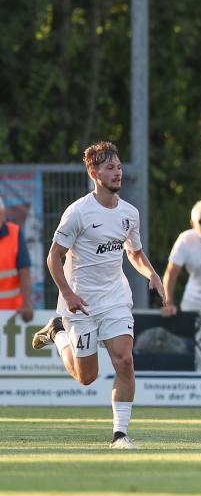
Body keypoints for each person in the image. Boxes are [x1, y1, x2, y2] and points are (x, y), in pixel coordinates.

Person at [31, 141, 165, 449]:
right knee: (86, 377)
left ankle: (120, 434)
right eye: (109, 168)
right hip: (80, 304)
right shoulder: (78, 212)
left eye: (119, 167)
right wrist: (67, 293)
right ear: (94, 172)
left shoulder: (129, 214)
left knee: (125, 362)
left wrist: (152, 274)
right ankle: (58, 333)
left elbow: (135, 252)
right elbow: (53, 257)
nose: (117, 172)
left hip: (116, 299)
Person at [0, 197, 33, 322]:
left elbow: (24, 270)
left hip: (12, 313)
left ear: (3, 215)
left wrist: (27, 304)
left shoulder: (14, 233)